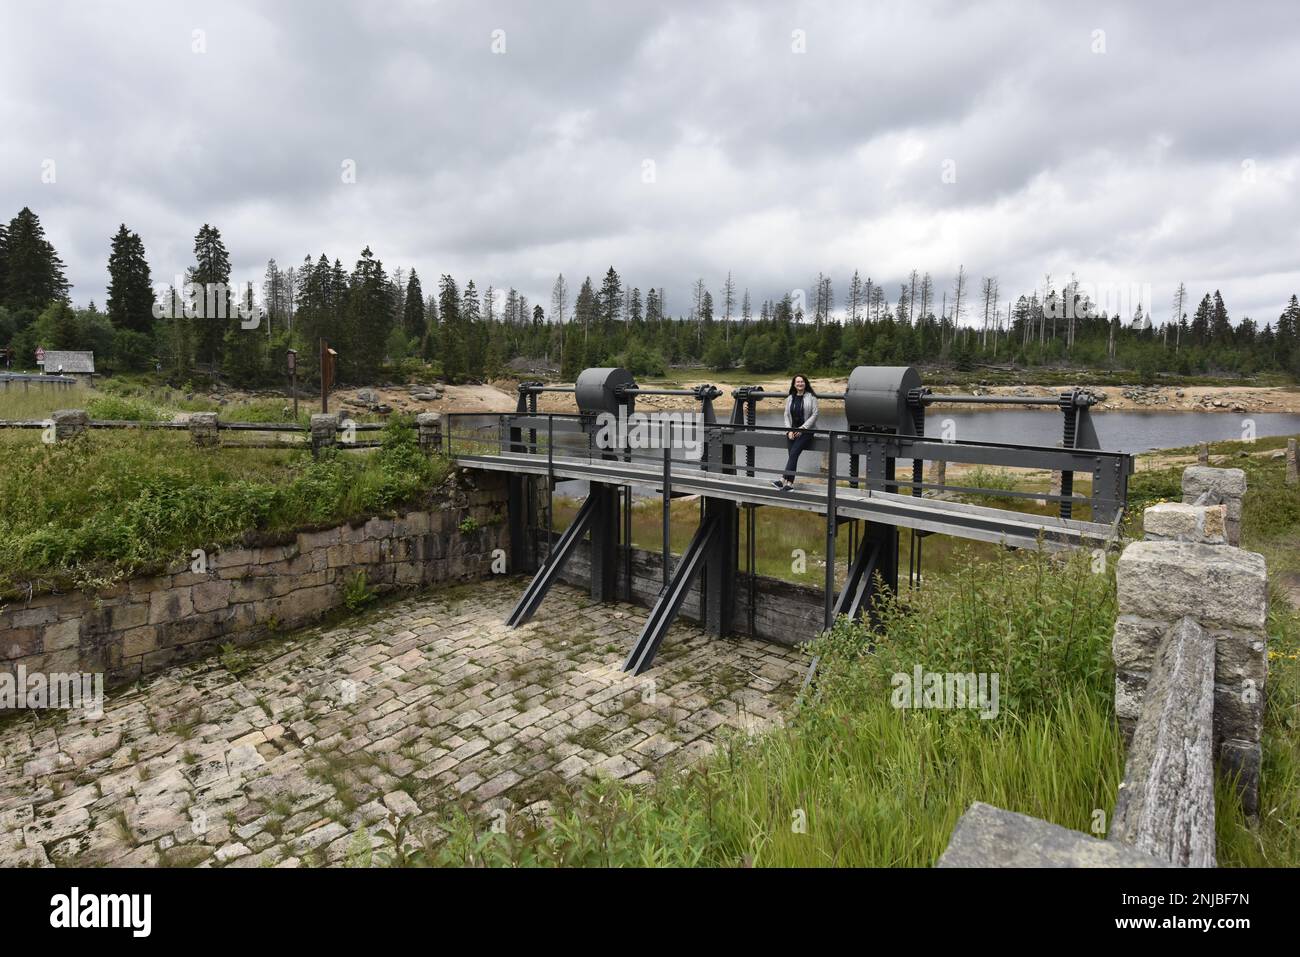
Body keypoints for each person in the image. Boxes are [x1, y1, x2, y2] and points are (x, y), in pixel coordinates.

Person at [772, 373, 818, 490]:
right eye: (797, 382)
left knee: (793, 454)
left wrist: (802, 428)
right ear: (794, 384)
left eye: (802, 381)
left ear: (805, 383)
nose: (800, 384)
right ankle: (789, 483)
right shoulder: (790, 398)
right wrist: (789, 430)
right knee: (793, 456)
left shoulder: (811, 397)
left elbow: (815, 414)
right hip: (792, 431)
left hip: (807, 431)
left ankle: (784, 480)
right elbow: (786, 414)